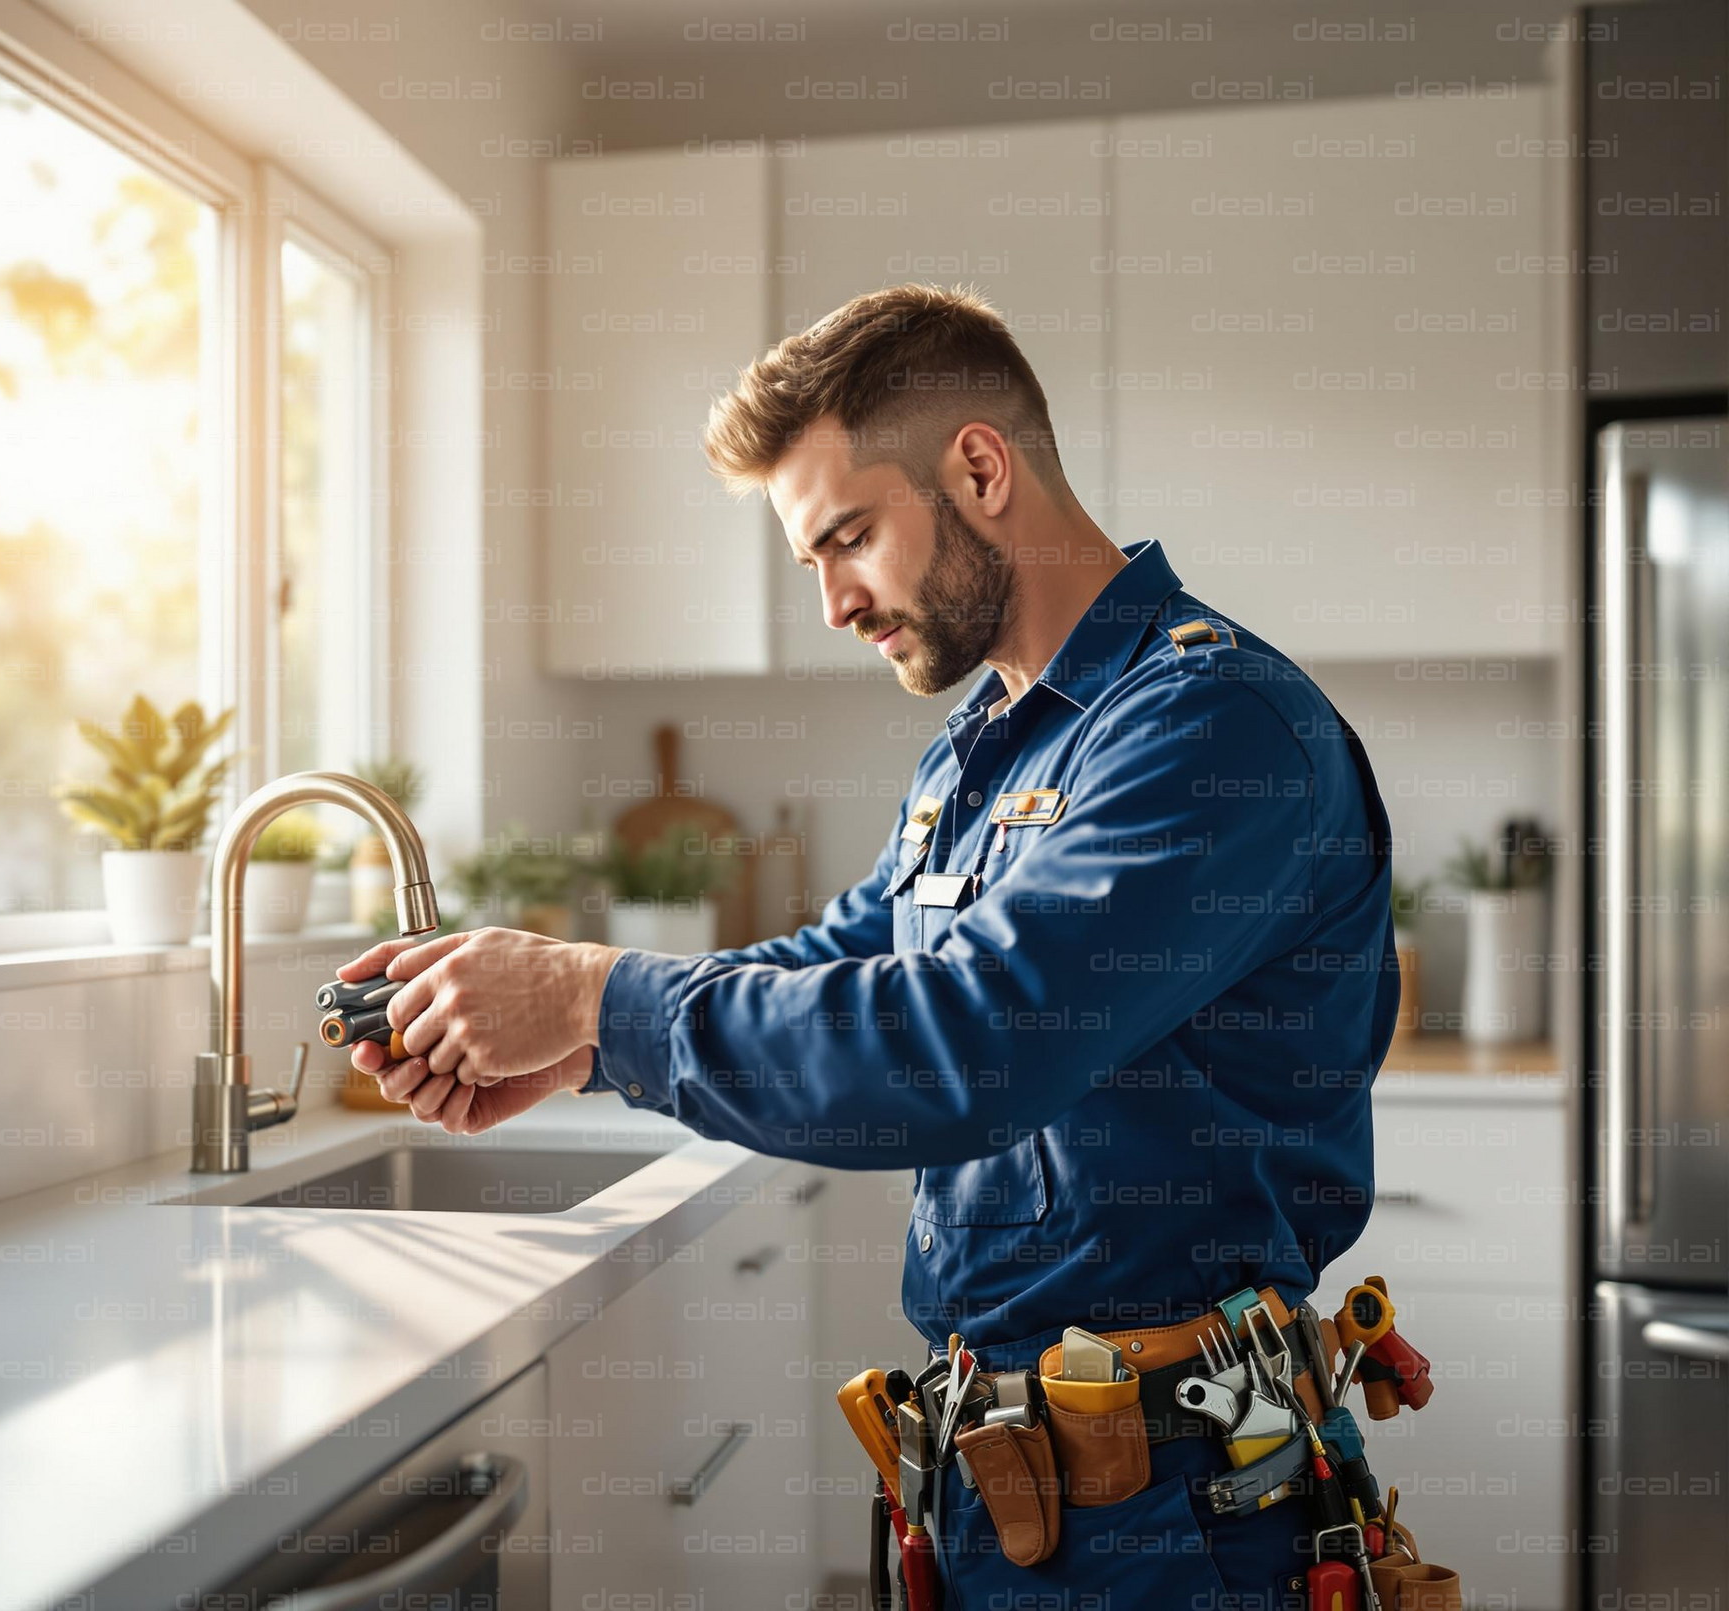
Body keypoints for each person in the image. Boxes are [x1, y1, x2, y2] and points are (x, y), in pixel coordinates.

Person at [337, 283, 1399, 1607]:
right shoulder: (983, 750)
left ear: (977, 465)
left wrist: (590, 996)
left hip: (1184, 1519)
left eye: (850, 537)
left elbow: (968, 1039)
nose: (834, 599)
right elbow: (845, 962)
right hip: (1000, 1494)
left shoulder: (1210, 728)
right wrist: (573, 1044)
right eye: (811, 560)